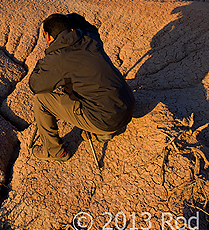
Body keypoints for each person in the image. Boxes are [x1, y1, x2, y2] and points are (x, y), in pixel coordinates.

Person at [29, 13, 135, 161]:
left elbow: (35, 85)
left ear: (47, 36)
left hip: (105, 119)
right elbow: (88, 25)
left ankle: (54, 151)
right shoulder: (90, 37)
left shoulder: (57, 58)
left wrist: (43, 62)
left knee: (41, 100)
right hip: (128, 106)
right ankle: (101, 133)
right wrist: (71, 19)